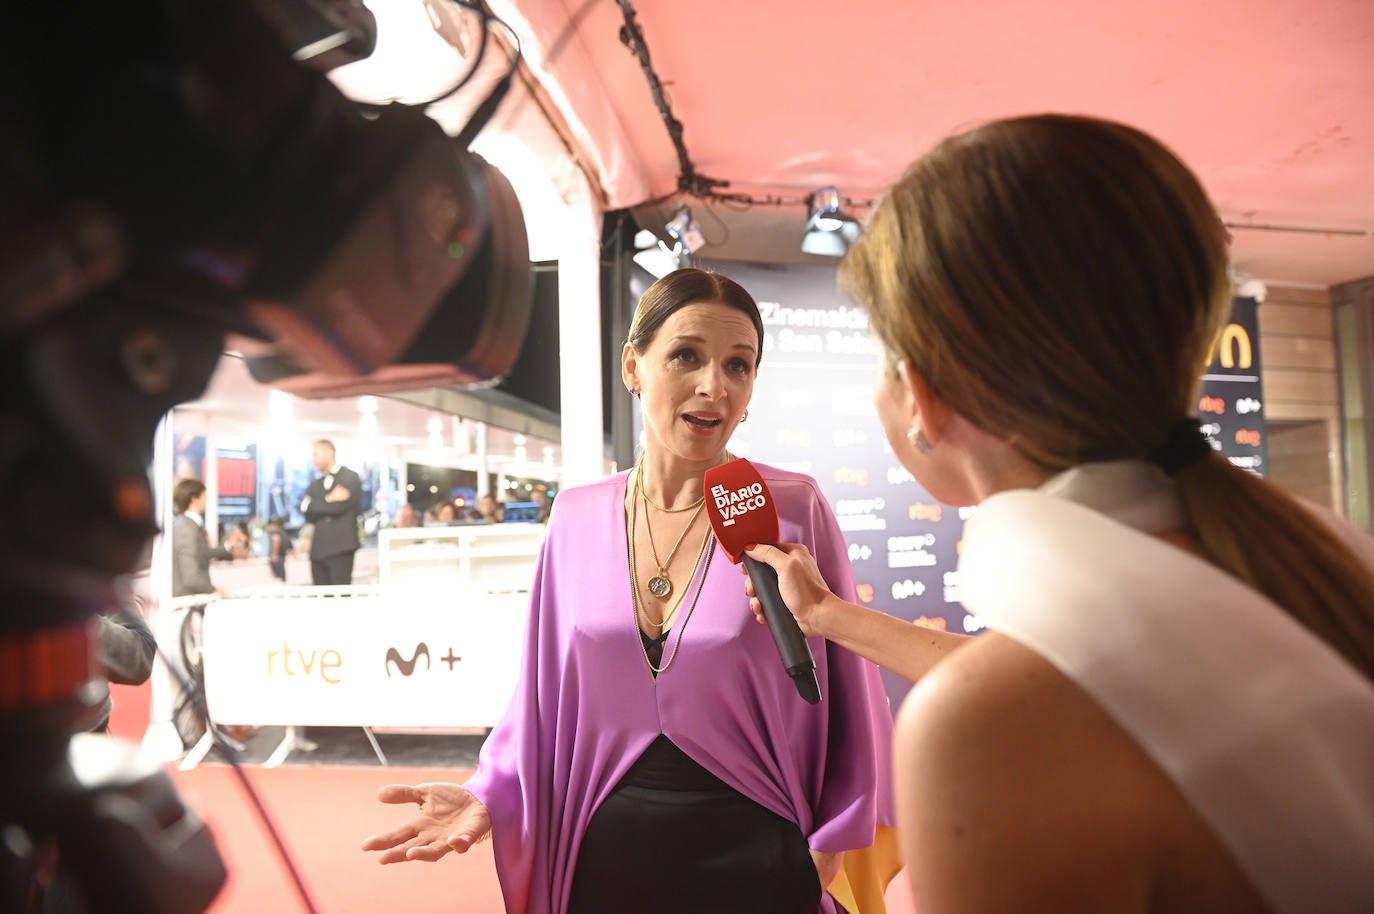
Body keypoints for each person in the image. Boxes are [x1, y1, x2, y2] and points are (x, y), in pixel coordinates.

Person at [741, 114, 1374, 914]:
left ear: (922, 398)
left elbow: (1022, 696)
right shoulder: (1304, 569)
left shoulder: (991, 729)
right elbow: (1049, 674)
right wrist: (828, 617)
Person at [362, 268, 899, 914]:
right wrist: (490, 792)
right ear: (634, 367)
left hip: (760, 858)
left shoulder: (790, 508)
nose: (713, 386)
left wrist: (829, 846)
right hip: (602, 860)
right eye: (686, 356)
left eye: (739, 365)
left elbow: (852, 695)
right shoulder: (576, 516)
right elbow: (540, 695)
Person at [300, 439, 362, 585]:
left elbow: (338, 508)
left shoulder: (350, 477)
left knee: (340, 597)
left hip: (342, 548)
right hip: (318, 551)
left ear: (329, 453)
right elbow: (307, 512)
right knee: (320, 598)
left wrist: (315, 504)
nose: (313, 460)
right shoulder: (315, 484)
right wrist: (329, 499)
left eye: (316, 454)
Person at [170, 478, 236, 598]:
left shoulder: (189, 525)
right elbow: (191, 575)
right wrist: (213, 591)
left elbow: (201, 553)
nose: (207, 500)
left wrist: (228, 546)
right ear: (194, 499)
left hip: (191, 597)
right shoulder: (187, 528)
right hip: (188, 599)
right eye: (204, 496)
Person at [265, 515, 293, 582]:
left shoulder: (276, 533)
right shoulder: (284, 533)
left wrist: (274, 554)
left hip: (278, 558)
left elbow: (276, 541)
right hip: (282, 557)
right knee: (282, 578)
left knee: (277, 579)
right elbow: (291, 547)